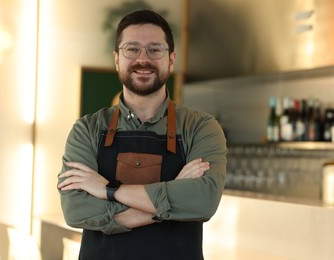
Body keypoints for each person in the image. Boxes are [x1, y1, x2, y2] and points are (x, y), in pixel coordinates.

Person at [57, 10, 227, 260]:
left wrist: (108, 190)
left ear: (171, 59)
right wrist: (175, 195)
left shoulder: (200, 127)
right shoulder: (87, 130)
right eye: (132, 49)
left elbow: (202, 202)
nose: (143, 59)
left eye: (155, 49)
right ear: (117, 59)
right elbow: (77, 211)